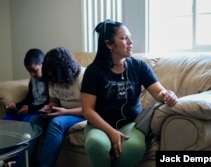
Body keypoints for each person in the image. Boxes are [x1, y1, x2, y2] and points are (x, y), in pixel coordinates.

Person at [80, 19, 178, 167]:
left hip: (131, 124)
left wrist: (168, 95)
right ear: (109, 44)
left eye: (130, 37)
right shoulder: (93, 71)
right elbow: (87, 110)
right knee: (96, 144)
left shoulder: (139, 66)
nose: (131, 42)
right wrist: (112, 132)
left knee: (135, 147)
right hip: (99, 125)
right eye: (124, 38)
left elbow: (159, 92)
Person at [14, 47, 86, 167]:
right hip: (62, 112)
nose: (53, 79)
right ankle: (22, 165)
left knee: (56, 123)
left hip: (81, 114)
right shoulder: (52, 79)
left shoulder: (82, 76)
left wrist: (64, 112)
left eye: (54, 75)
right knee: (33, 121)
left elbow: (89, 109)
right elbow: (54, 101)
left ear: (63, 70)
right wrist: (48, 107)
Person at [4, 48, 49, 122]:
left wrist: (30, 109)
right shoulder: (33, 79)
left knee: (26, 121)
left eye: (34, 70)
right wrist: (16, 105)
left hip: (42, 110)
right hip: (32, 107)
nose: (32, 74)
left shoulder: (50, 79)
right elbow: (29, 98)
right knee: (7, 118)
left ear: (43, 65)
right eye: (29, 71)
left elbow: (50, 102)